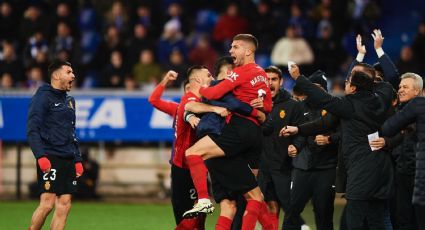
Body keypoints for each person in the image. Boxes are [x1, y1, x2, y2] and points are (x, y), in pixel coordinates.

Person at [287, 62, 394, 229]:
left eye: (349, 81)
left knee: (354, 221)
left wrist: (298, 78)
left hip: (361, 169)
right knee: (377, 219)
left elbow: (322, 97)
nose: (345, 83)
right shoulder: (382, 98)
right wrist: (298, 129)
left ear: (354, 88)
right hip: (382, 168)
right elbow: (388, 83)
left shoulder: (349, 105)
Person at [182, 34, 272, 230]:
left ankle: (203, 200)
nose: (231, 51)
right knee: (244, 201)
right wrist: (257, 111)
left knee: (192, 153)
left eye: (235, 47)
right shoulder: (261, 74)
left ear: (248, 51)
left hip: (231, 137)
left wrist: (204, 89)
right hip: (251, 136)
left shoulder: (235, 76)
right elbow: (267, 106)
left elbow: (213, 96)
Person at [27, 60, 83, 230]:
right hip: (50, 156)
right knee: (47, 203)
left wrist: (77, 159)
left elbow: (72, 133)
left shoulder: (70, 101)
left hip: (67, 157)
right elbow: (32, 129)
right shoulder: (43, 97)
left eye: (73, 72)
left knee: (65, 203)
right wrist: (40, 156)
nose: (73, 75)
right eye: (69, 72)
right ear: (57, 75)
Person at [258, 65, 303, 229]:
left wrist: (295, 147)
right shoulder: (256, 104)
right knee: (270, 206)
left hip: (284, 166)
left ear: (281, 81)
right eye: (266, 79)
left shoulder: (293, 105)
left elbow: (301, 132)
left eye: (274, 79)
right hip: (262, 166)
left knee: (290, 208)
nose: (270, 83)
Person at [381, 96, 425, 230]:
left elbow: (387, 128)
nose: (400, 90)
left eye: (405, 86)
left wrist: (407, 122)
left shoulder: (418, 104)